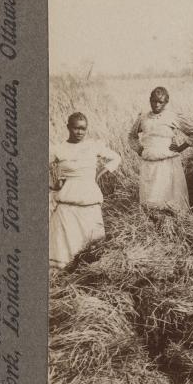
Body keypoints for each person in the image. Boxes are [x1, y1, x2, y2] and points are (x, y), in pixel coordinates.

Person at [51, 113, 121, 270]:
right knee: (67, 243)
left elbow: (116, 158)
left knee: (92, 240)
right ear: (68, 127)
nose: (80, 132)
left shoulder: (93, 146)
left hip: (89, 197)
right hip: (68, 200)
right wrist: (53, 183)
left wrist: (100, 173)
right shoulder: (59, 149)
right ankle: (67, 271)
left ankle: (90, 269)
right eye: (76, 128)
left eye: (83, 129)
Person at [130, 87, 193, 210]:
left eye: (160, 102)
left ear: (166, 102)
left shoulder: (173, 116)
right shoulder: (143, 118)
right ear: (150, 100)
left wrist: (180, 148)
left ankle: (173, 221)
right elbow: (132, 136)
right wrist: (140, 150)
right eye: (154, 101)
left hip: (167, 162)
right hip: (149, 163)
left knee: (169, 198)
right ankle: (152, 222)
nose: (157, 104)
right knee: (150, 199)